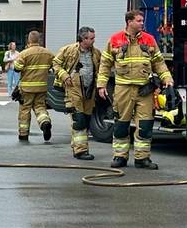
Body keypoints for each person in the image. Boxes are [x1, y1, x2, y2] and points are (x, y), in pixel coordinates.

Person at [97, 10, 172, 169]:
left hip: (144, 90)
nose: (142, 23)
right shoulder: (115, 39)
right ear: (129, 22)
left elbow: (159, 62)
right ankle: (120, 157)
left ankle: (142, 158)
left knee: (145, 126)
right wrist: (101, 85)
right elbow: (105, 64)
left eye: (142, 20)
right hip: (123, 89)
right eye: (138, 20)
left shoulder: (149, 39)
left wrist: (167, 79)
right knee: (121, 125)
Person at [53, 27, 101, 160]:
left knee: (86, 119)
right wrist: (64, 76)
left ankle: (77, 146)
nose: (93, 41)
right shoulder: (68, 50)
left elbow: (102, 68)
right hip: (73, 88)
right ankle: (80, 151)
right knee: (78, 120)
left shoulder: (96, 53)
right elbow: (56, 64)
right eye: (91, 38)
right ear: (83, 39)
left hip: (89, 89)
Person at [12, 30, 54, 141]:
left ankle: (23, 134)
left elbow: (17, 69)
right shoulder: (48, 53)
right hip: (42, 88)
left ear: (29, 40)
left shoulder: (24, 54)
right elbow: (54, 66)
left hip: (26, 88)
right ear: (39, 40)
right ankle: (45, 122)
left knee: (25, 110)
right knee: (40, 107)